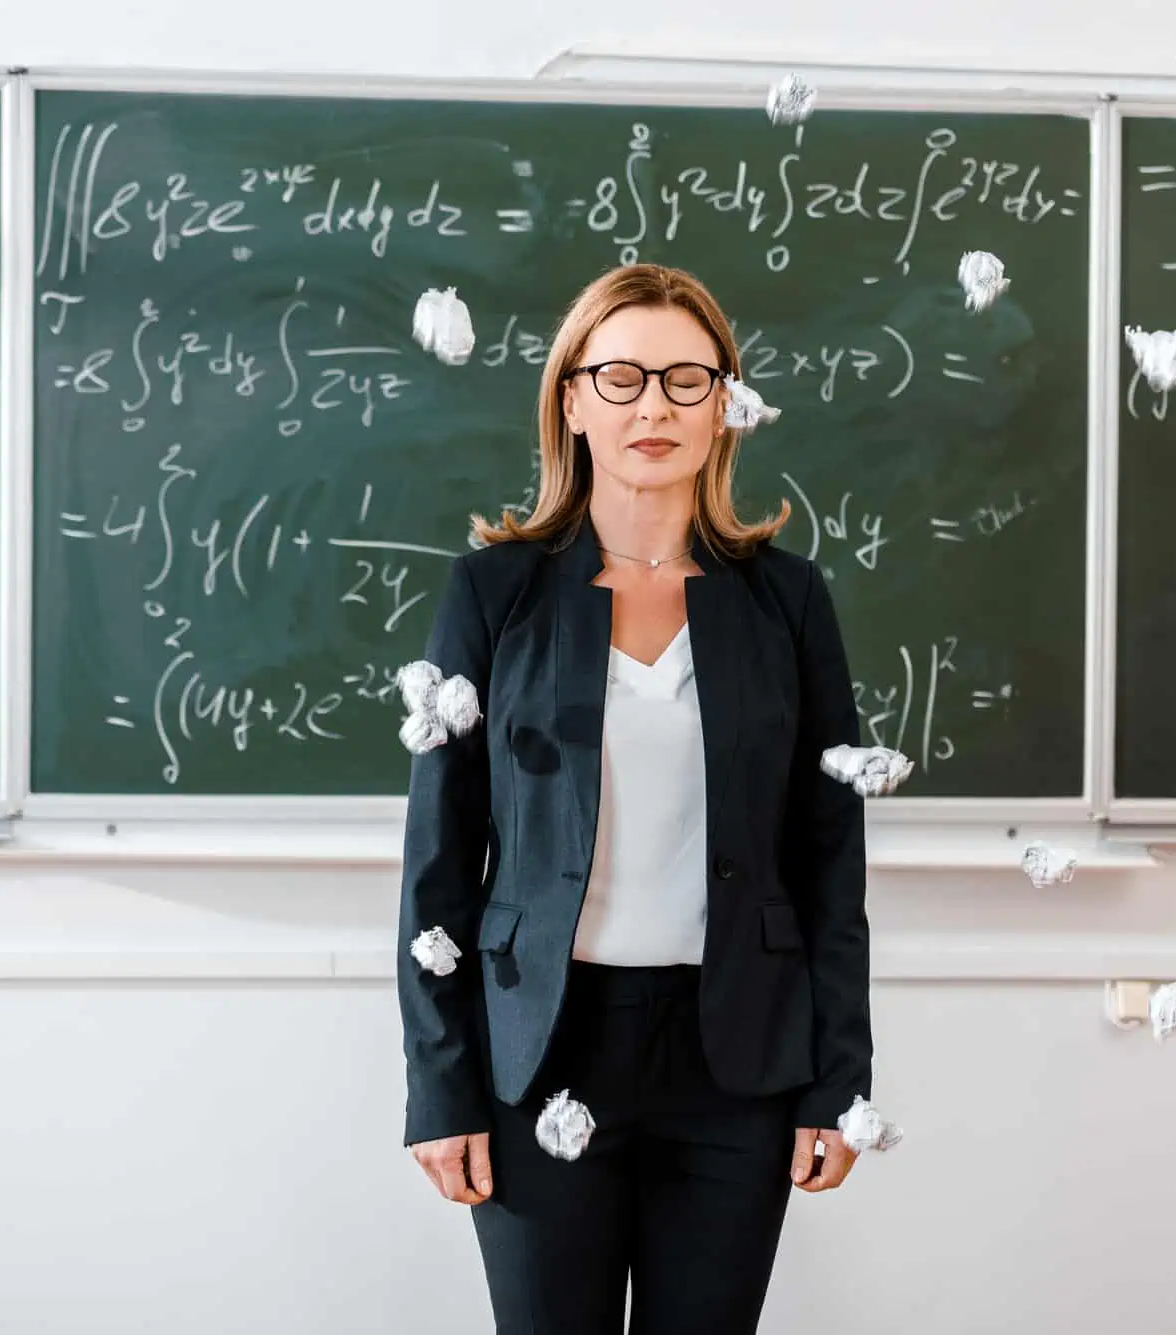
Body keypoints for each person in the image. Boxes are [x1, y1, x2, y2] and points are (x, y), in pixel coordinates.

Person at [396, 263, 879, 1335]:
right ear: (570, 400)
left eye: (682, 379)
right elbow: (439, 857)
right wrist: (440, 1086)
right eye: (618, 376)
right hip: (539, 1050)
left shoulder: (785, 601)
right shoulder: (494, 591)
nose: (651, 404)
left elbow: (826, 861)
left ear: (725, 407)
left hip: (736, 1062)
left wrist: (837, 1077)